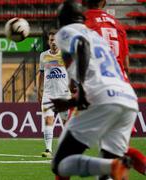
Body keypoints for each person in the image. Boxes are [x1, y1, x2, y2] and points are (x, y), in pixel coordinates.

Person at [49, 1, 139, 180]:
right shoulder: (97, 38)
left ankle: (114, 165)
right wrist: (71, 102)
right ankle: (114, 165)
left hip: (100, 97)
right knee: (107, 175)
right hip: (127, 98)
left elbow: (81, 45)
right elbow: (107, 76)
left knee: (60, 164)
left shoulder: (66, 32)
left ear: (61, 21)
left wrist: (80, 90)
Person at [85, 0, 146, 177]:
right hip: (123, 90)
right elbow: (126, 65)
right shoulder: (117, 24)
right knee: (115, 149)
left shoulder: (83, 25)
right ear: (103, 2)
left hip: (101, 90)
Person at [37, 29, 71, 158]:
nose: (54, 42)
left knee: (66, 123)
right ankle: (48, 150)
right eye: (51, 40)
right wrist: (40, 90)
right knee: (48, 120)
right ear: (48, 41)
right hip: (48, 94)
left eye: (56, 40)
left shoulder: (66, 55)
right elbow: (41, 73)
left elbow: (72, 72)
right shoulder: (43, 56)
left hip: (64, 94)